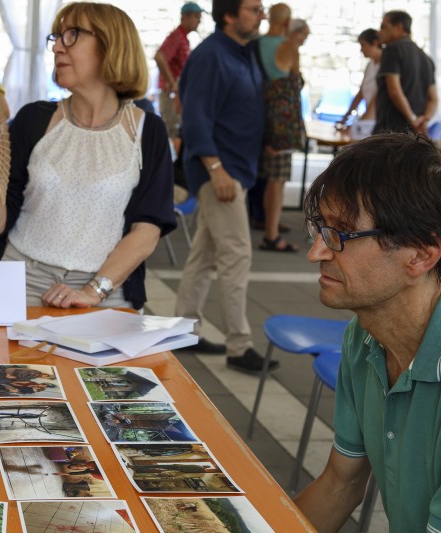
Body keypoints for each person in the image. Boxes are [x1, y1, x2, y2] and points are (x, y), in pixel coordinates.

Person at [294, 133, 441, 532]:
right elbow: (340, 484)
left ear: (421, 254)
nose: (316, 252)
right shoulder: (365, 337)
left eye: (342, 233)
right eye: (320, 227)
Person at [0, 2, 175, 311]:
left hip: (107, 289)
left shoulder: (147, 130)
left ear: (111, 46)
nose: (58, 47)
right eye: (57, 37)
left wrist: (92, 291)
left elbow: (148, 229)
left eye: (73, 35)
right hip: (18, 280)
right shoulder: (33, 119)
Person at [174, 0, 275, 372]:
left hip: (236, 168)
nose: (261, 14)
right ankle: (239, 346)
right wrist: (215, 169)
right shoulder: (211, 55)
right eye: (253, 9)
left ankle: (183, 330)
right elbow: (195, 115)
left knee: (204, 254)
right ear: (229, 15)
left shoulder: (243, 52)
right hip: (221, 172)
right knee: (236, 254)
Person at [256, 4, 305, 254]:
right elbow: (296, 81)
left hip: (260, 116)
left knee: (268, 179)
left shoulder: (255, 45)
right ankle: (271, 235)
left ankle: (268, 224)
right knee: (277, 181)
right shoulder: (288, 46)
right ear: (287, 23)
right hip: (283, 122)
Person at [373, 10, 437, 135]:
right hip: (413, 134)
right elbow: (433, 99)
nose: (379, 32)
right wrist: (423, 122)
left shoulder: (392, 50)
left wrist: (412, 119)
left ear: (399, 27)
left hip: (390, 131)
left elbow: (395, 92)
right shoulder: (426, 58)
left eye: (383, 27)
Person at [154, 2, 205, 139]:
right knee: (174, 135)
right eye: (196, 16)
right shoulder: (176, 36)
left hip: (177, 96)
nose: (199, 21)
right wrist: (173, 84)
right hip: (171, 95)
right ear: (185, 17)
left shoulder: (183, 38)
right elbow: (159, 57)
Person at [337, 29, 382, 127]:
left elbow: (376, 98)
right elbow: (361, 93)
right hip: (369, 119)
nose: (361, 50)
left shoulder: (384, 66)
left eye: (363, 45)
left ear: (374, 43)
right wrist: (346, 117)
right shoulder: (370, 65)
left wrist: (362, 122)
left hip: (378, 119)